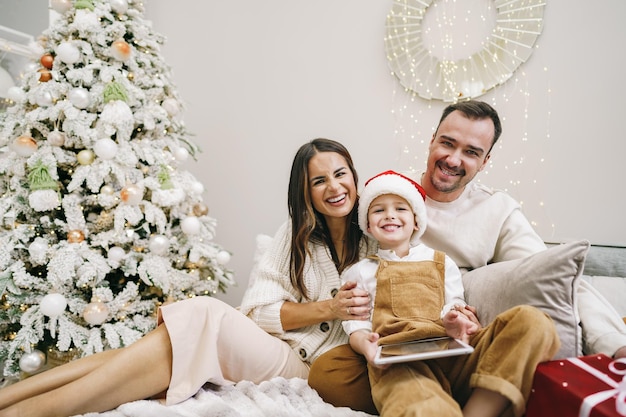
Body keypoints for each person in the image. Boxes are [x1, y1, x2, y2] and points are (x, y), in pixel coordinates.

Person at [0, 138, 376, 417]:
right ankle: (10, 401)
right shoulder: (294, 233)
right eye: (319, 181)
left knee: (199, 319)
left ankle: (27, 410)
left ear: (355, 177)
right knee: (183, 330)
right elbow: (256, 313)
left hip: (312, 369)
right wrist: (328, 308)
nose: (334, 187)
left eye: (340, 174)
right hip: (273, 349)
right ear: (306, 192)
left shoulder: (378, 234)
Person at [308, 100, 626, 413]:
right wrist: (337, 312)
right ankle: (429, 399)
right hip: (396, 347)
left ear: (485, 161)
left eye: (471, 152)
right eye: (447, 143)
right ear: (432, 141)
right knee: (327, 372)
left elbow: (560, 275)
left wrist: (614, 342)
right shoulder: (387, 193)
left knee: (535, 323)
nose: (454, 158)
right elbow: (318, 224)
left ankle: (472, 406)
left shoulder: (497, 210)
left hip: (456, 346)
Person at [340, 169, 559, 417]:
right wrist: (365, 346)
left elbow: (454, 304)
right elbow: (355, 326)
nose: (390, 215)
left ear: (416, 220)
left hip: (453, 353)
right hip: (399, 363)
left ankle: (479, 411)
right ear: (368, 224)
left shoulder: (442, 262)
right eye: (379, 210)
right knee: (424, 408)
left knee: (533, 322)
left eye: (400, 209)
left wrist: (455, 320)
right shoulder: (359, 272)